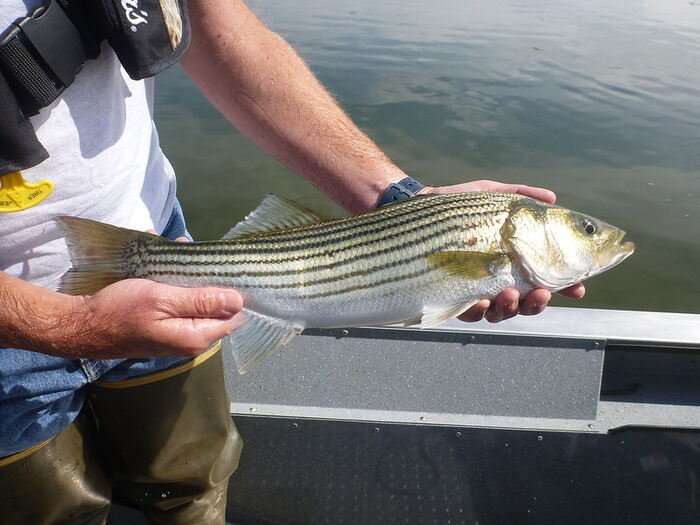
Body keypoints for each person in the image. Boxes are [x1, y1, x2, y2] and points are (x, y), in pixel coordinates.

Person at [0, 1, 584, 523]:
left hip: (165, 248)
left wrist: (403, 204)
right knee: (49, 511)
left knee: (193, 479)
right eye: (583, 231)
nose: (591, 237)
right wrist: (64, 325)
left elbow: (218, 26)